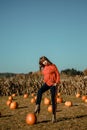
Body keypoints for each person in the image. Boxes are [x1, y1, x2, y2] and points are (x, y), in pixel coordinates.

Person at [34, 56, 60, 123]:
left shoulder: (53, 66)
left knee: (53, 99)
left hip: (53, 84)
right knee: (39, 91)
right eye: (43, 62)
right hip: (47, 83)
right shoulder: (44, 68)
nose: (44, 62)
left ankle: (53, 116)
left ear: (47, 60)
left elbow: (57, 74)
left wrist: (56, 83)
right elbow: (45, 76)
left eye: (44, 60)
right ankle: (37, 105)